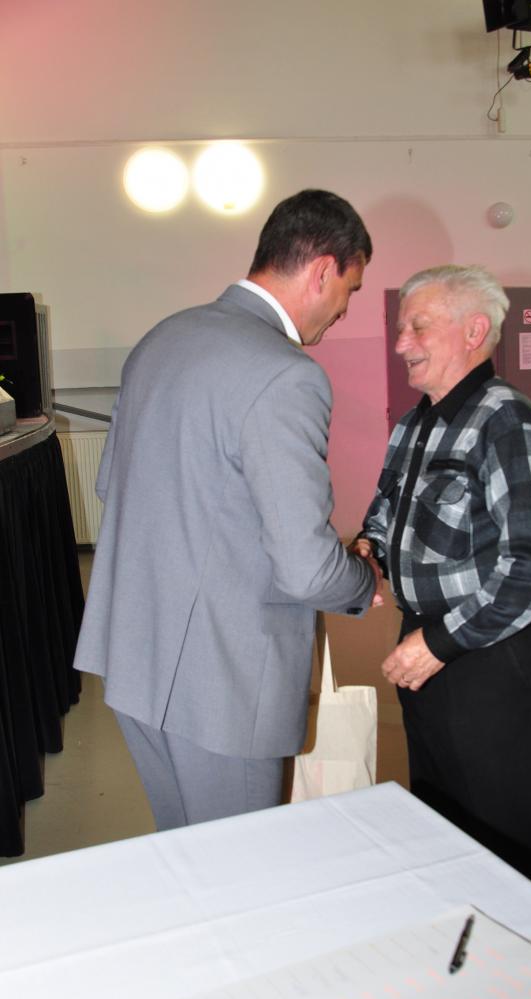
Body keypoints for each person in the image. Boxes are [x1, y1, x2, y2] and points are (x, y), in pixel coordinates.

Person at [74, 189, 382, 830]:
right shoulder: (286, 374)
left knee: (184, 850)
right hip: (224, 682)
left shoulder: (162, 338)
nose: (343, 310)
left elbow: (117, 488)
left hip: (133, 653)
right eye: (349, 291)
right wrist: (362, 579)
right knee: (240, 867)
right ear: (323, 269)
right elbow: (306, 569)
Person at [356, 265, 531, 904]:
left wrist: (440, 644)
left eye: (418, 327)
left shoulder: (509, 422)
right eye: (400, 329)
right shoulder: (413, 424)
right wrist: (367, 549)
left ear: (474, 331)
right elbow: (385, 513)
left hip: (492, 653)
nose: (401, 343)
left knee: (510, 835)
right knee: (441, 819)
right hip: (428, 642)